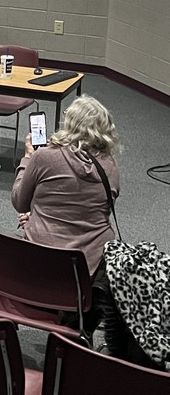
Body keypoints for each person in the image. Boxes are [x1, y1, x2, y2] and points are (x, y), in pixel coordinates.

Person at [11, 95, 120, 278]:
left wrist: (27, 159)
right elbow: (93, 212)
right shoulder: (111, 167)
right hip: (85, 268)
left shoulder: (44, 156)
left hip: (40, 257)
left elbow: (19, 202)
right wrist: (39, 214)